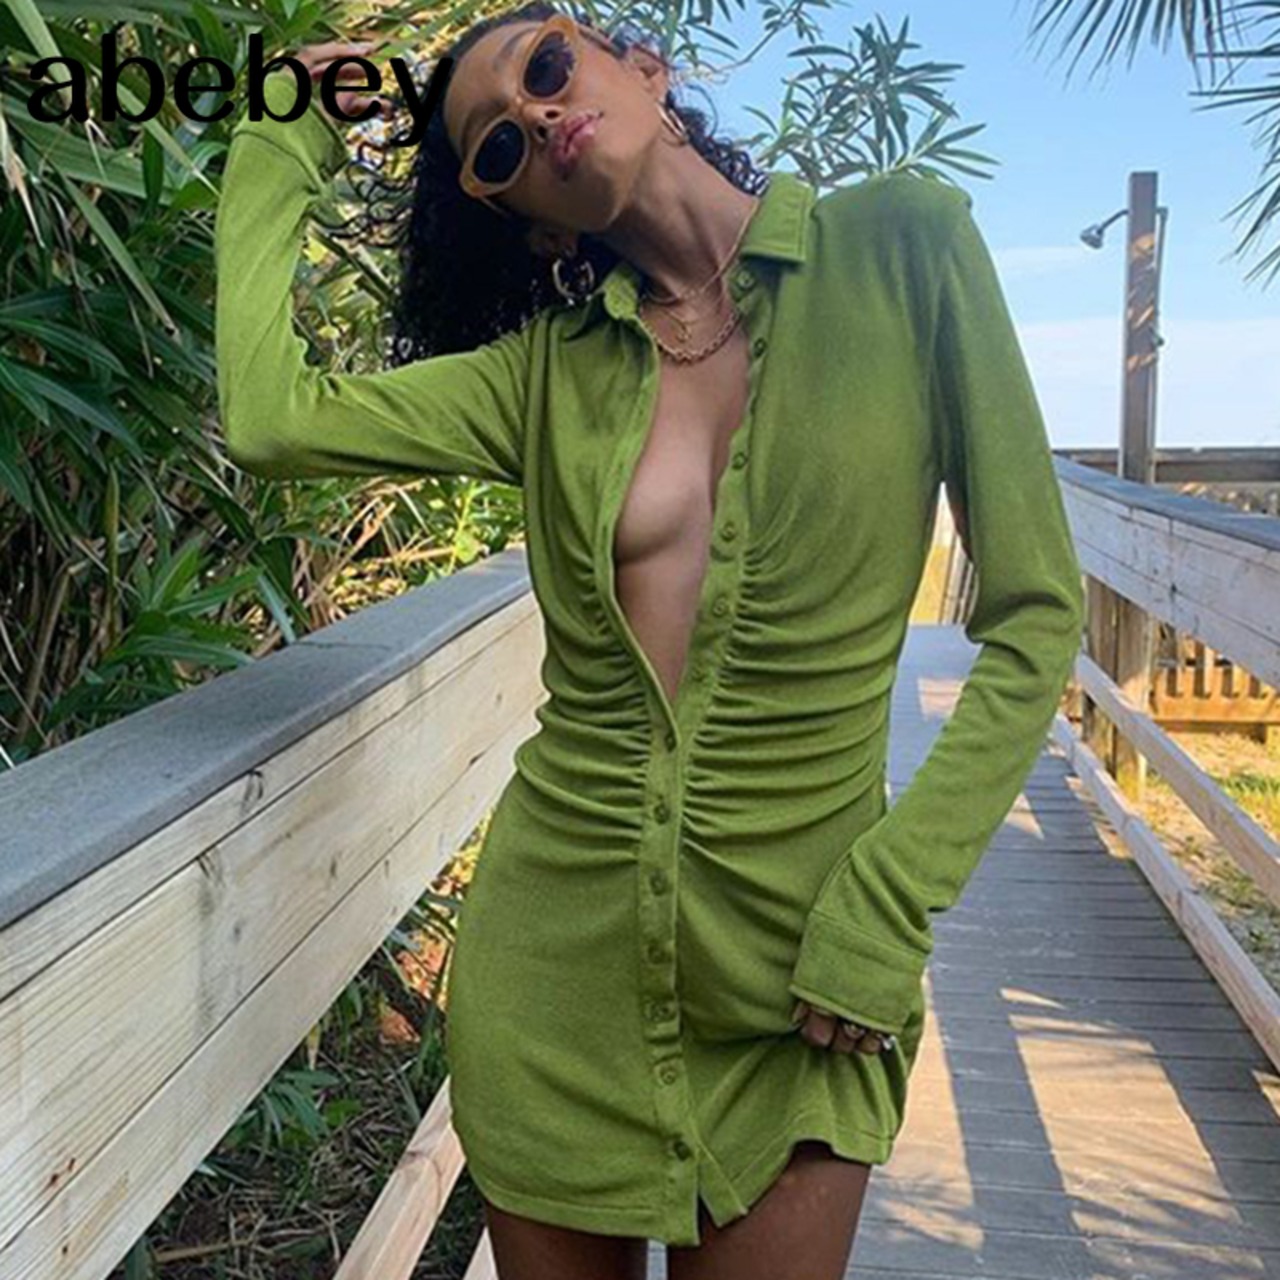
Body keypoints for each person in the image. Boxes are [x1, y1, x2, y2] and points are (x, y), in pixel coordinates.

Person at [214, 5, 1085, 1277]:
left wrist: (892, 899)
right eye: (496, 147)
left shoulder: (903, 246)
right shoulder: (540, 377)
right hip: (551, 970)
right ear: (536, 222)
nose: (534, 115)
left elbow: (1035, 611)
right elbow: (272, 418)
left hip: (802, 973)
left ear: (642, 67)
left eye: (546, 66)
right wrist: (276, 140)